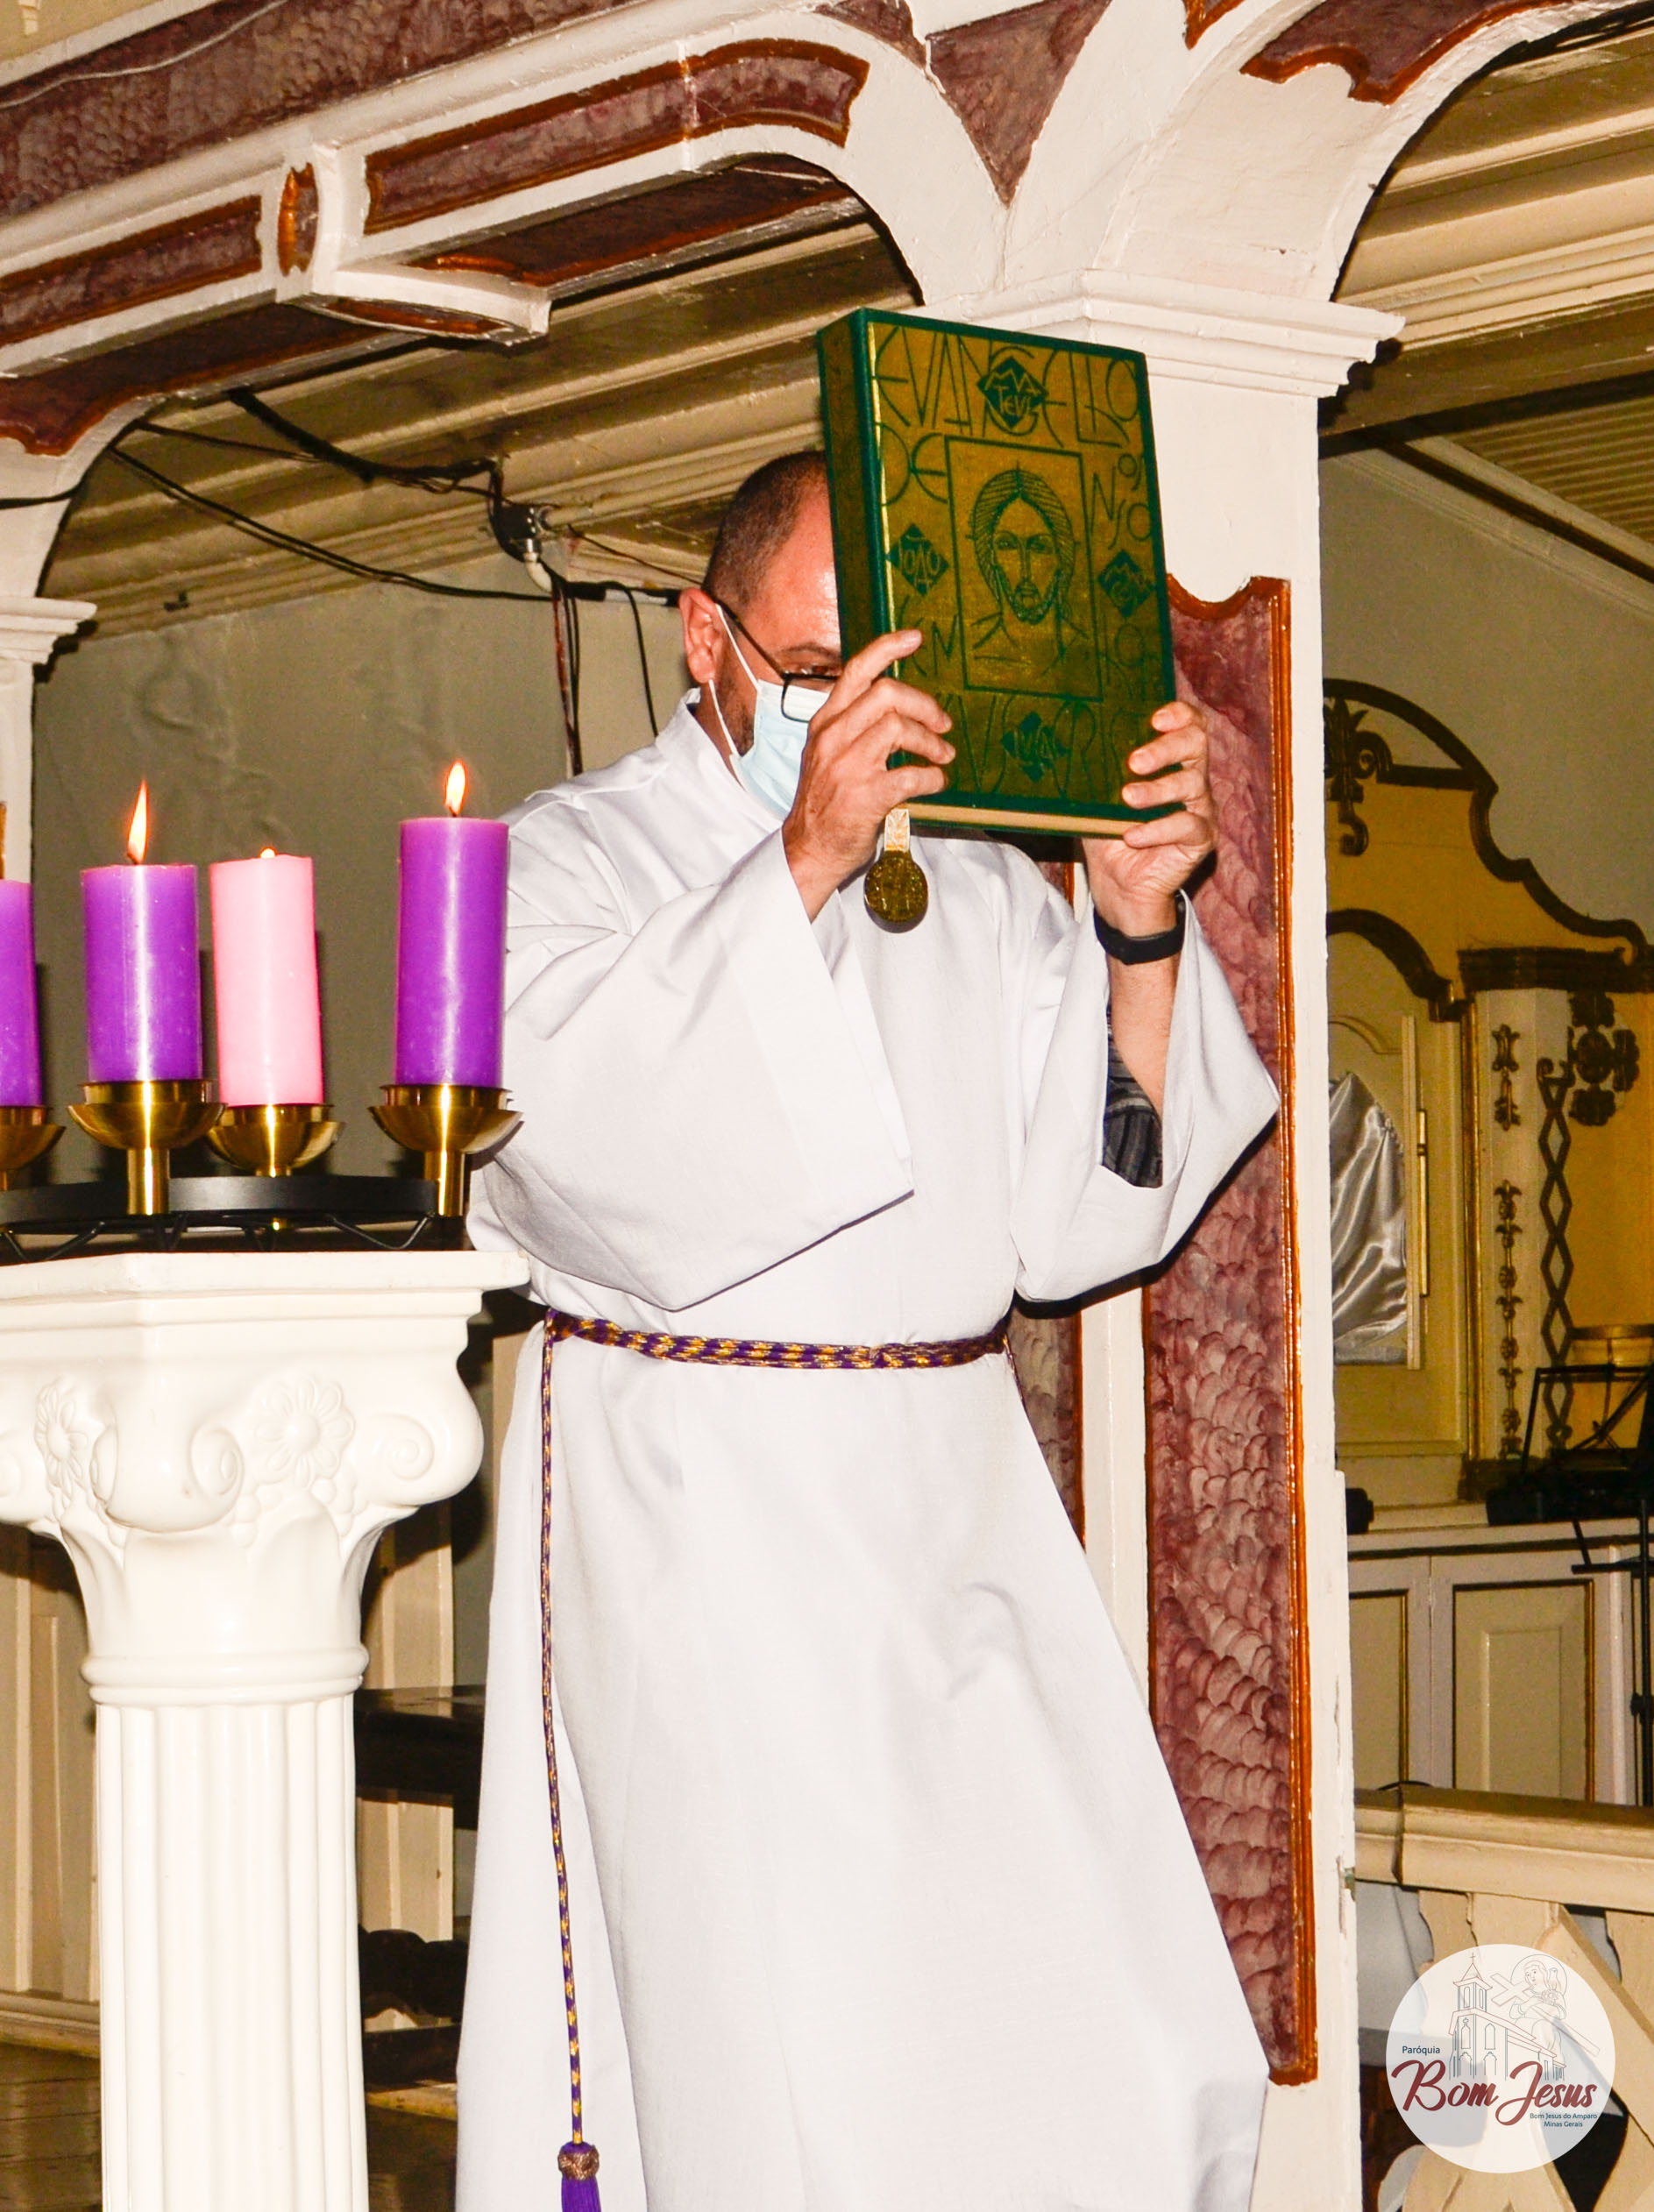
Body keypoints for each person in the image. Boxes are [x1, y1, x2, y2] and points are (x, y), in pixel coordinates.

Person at [458, 450, 1277, 2212]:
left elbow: (1091, 1214)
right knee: (786, 2056)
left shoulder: (972, 884)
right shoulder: (564, 859)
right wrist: (802, 864)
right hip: (705, 1524)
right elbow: (568, 1143)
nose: (856, 714)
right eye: (819, 667)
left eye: (890, 672)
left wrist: (1136, 925)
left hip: (952, 1515)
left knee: (1113, 2036)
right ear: (707, 640)